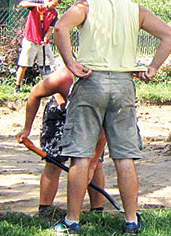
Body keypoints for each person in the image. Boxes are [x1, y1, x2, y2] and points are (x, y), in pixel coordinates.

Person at [53, 0, 171, 236]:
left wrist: (70, 63)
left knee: (81, 154)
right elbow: (169, 35)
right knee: (124, 156)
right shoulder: (136, 10)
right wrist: (153, 67)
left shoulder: (86, 6)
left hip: (90, 81)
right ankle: (131, 220)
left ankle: (72, 221)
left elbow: (60, 28)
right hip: (123, 84)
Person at [15, 63, 107, 218]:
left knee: (95, 163)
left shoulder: (105, 84)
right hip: (59, 114)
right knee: (53, 162)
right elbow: (34, 95)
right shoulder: (62, 78)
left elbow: (103, 130)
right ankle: (45, 210)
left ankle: (97, 211)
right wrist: (26, 129)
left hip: (91, 116)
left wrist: (92, 162)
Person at [14, 0, 61, 91]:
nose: (54, 7)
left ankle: (49, 88)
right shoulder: (37, 3)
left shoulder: (54, 14)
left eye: (56, 6)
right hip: (30, 40)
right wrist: (36, 6)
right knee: (24, 64)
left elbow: (50, 29)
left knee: (46, 64)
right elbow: (22, 4)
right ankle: (17, 87)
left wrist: (45, 38)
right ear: (49, 0)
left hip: (42, 43)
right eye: (53, 5)